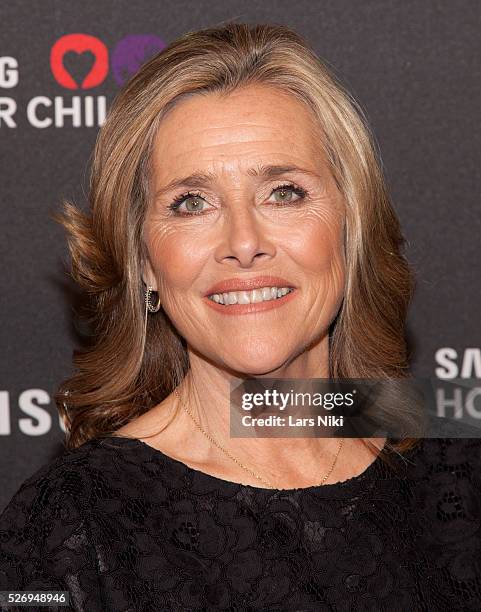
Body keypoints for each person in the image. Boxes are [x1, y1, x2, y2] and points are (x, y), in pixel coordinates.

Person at [0, 22, 480, 612]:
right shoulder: (69, 527)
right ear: (144, 260)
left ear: (351, 228)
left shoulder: (460, 474)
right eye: (191, 203)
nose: (244, 242)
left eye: (285, 192)